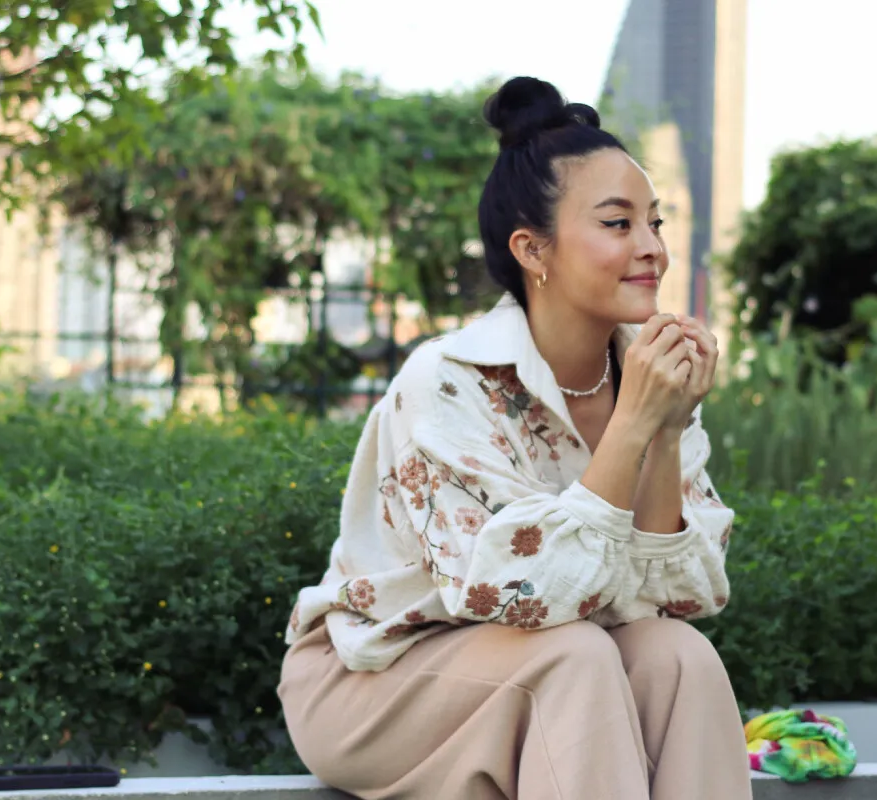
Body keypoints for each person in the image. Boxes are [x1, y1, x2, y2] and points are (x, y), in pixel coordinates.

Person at [278, 76, 752, 800]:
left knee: (677, 655)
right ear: (533, 249)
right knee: (573, 656)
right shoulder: (447, 380)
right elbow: (507, 590)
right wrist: (634, 423)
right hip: (374, 677)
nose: (652, 248)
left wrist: (665, 430)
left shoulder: (647, 378)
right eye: (618, 224)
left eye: (655, 223)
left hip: (552, 666)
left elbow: (679, 595)